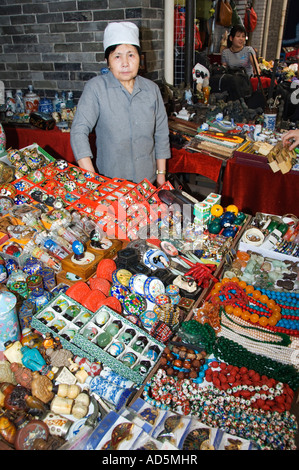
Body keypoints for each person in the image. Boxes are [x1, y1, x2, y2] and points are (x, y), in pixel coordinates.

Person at [70, 21, 171, 186]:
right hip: (111, 183)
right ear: (108, 61)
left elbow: (161, 134)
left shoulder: (151, 90)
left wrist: (161, 177)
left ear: (140, 58)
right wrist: (93, 180)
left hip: (148, 181)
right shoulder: (96, 88)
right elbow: (78, 131)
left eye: (131, 54)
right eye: (117, 56)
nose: (125, 63)